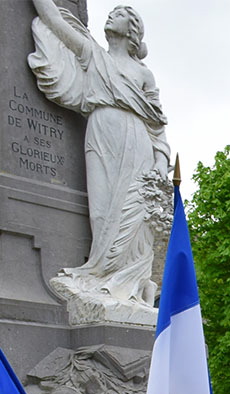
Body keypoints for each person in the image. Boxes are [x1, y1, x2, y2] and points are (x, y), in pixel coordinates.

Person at [29, 1, 170, 306]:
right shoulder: (93, 54)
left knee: (135, 217)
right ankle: (103, 276)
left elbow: (156, 124)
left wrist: (161, 159)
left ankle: (134, 284)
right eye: (112, 11)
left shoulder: (144, 74)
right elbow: (54, 19)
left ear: (132, 30)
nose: (111, 15)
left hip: (137, 142)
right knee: (102, 212)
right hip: (101, 132)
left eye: (119, 14)